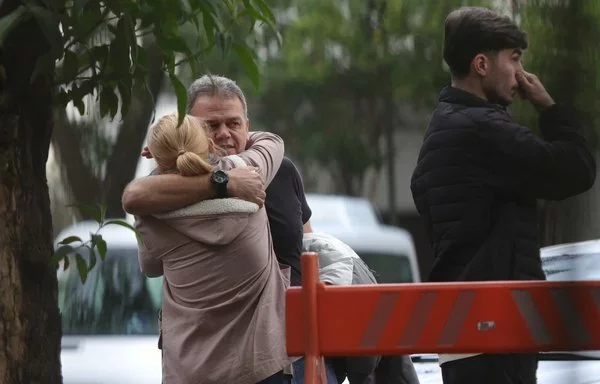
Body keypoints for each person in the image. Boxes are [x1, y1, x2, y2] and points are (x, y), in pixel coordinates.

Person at [410, 6, 596, 384]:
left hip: (463, 328)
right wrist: (549, 107)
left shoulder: (442, 127)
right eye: (513, 60)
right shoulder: (484, 130)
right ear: (481, 64)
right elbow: (576, 169)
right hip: (497, 325)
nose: (521, 74)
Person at [121, 75, 338, 384]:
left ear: (247, 125)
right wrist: (223, 180)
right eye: (212, 126)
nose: (224, 134)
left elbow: (307, 242)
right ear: (195, 131)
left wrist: (168, 149)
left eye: (234, 124)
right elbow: (272, 141)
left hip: (203, 364)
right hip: (264, 361)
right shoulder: (252, 177)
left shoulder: (153, 200)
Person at [135, 113, 290, 384]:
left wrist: (164, 161)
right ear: (209, 144)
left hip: (188, 370)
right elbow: (272, 141)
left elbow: (150, 268)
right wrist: (232, 135)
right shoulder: (246, 173)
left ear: (157, 159)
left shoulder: (149, 210)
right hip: (259, 367)